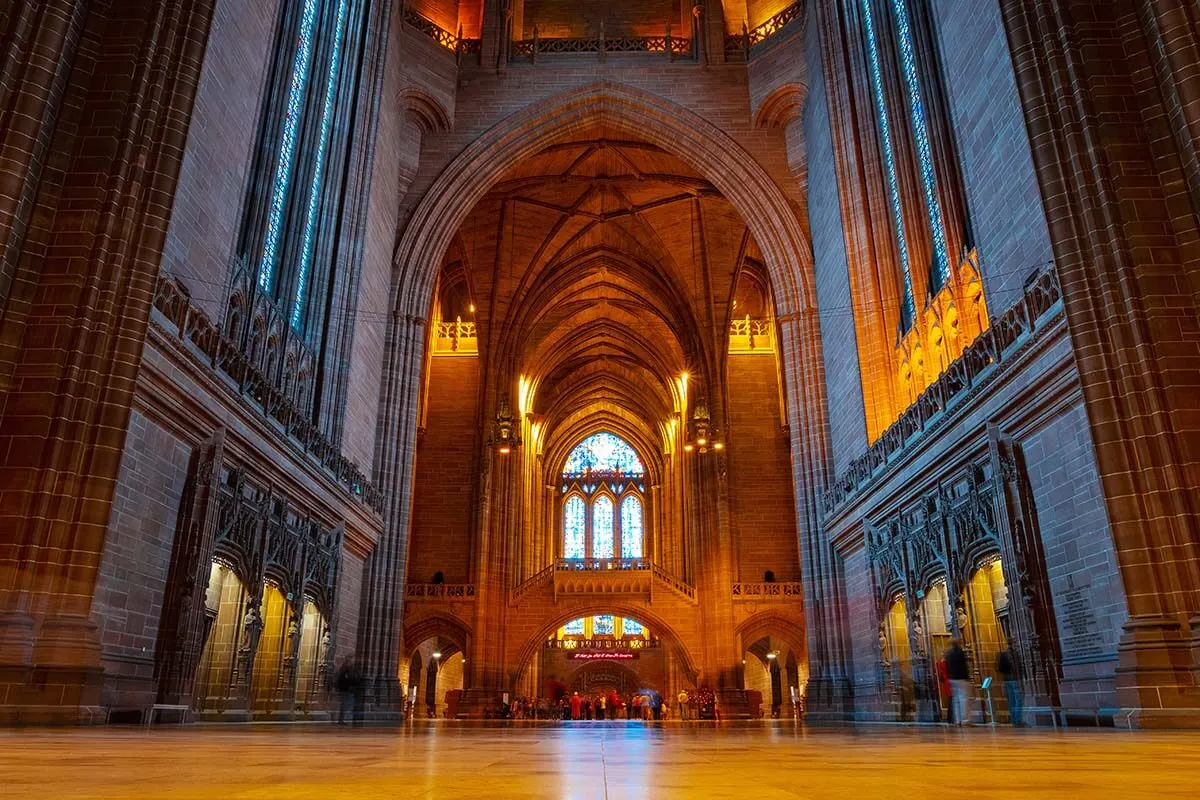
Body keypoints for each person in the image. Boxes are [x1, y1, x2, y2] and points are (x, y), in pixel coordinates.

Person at [944, 639, 971, 726]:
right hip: (961, 678)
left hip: (952, 678)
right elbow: (964, 666)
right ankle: (965, 720)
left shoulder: (948, 654)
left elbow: (947, 666)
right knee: (963, 699)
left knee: (955, 700)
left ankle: (957, 720)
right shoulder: (960, 653)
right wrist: (967, 677)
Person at [997, 647, 1023, 727]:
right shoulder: (1014, 654)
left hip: (1007, 679)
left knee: (1011, 700)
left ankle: (1014, 720)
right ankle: (1017, 720)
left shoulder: (1003, 654)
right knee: (1017, 700)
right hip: (1014, 679)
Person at [333, 656, 362, 725]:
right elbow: (341, 679)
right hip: (345, 690)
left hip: (350, 690)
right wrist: (347, 686)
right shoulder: (344, 670)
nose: (352, 662)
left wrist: (354, 686)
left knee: (348, 706)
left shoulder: (353, 670)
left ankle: (344, 720)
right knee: (344, 706)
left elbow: (356, 678)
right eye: (350, 661)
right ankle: (341, 720)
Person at [936, 657, 952, 723]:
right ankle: (950, 718)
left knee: (950, 701)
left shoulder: (941, 663)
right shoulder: (944, 663)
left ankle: (950, 718)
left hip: (947, 683)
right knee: (951, 702)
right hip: (949, 682)